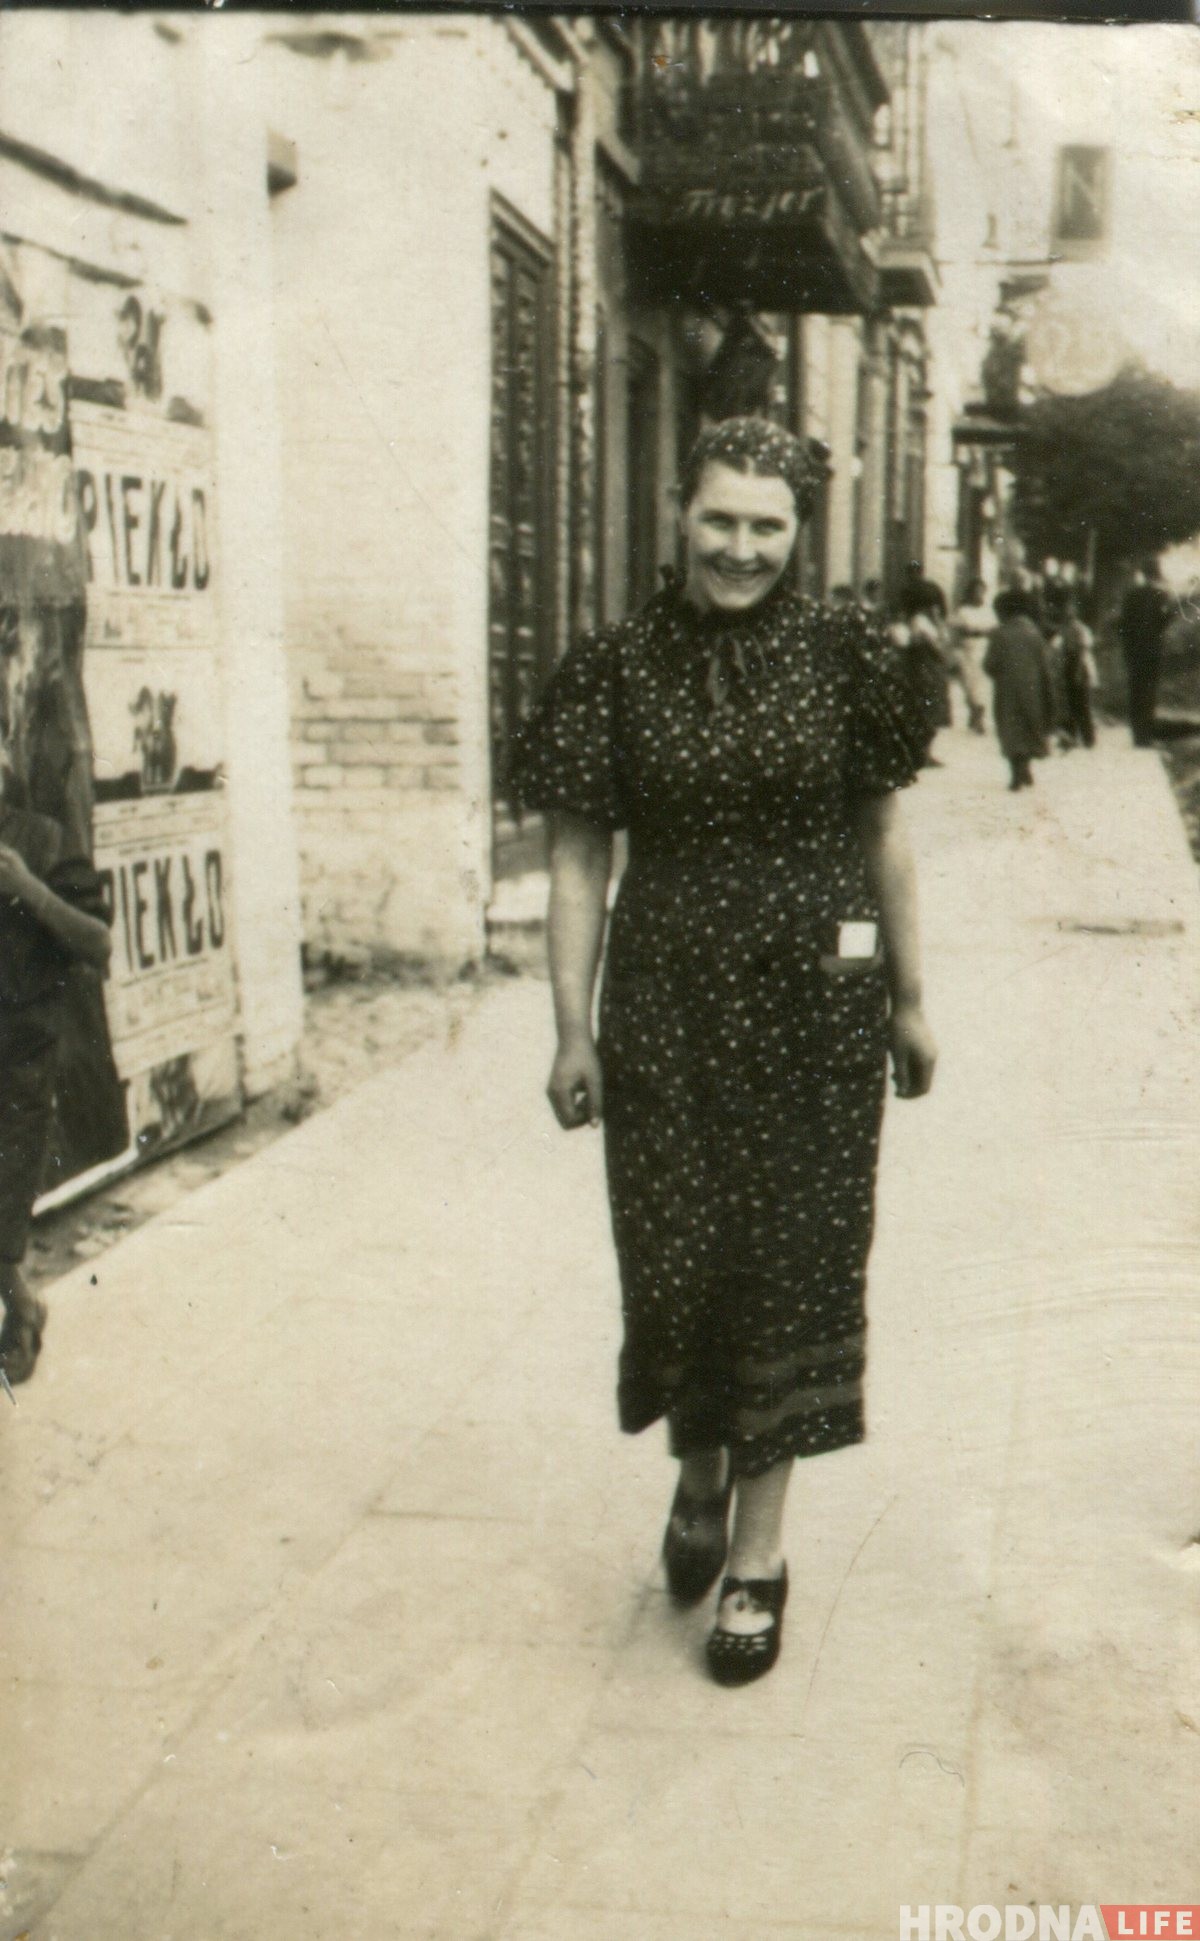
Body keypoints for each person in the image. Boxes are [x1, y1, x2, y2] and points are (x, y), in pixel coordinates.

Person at [511, 417, 937, 1686]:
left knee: (792, 1266)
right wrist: (570, 1028)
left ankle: (757, 1555)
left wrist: (911, 998)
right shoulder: (614, 667)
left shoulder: (846, 657)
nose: (742, 547)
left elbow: (885, 837)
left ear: (799, 533)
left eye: (769, 525)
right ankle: (696, 1470)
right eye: (722, 519)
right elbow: (581, 858)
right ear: (677, 512)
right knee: (681, 1254)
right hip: (667, 1006)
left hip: (820, 999)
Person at [0, 801, 113, 1386]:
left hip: (22, 1060)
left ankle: (19, 1307)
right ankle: (20, 1305)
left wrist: (26, 888)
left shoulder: (43, 836)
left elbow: (98, 942)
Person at [983, 587, 1053, 791]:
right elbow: (1045, 666)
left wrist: (998, 675)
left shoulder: (999, 634)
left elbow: (989, 664)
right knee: (1030, 726)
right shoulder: (1035, 634)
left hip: (1006, 691)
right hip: (1033, 690)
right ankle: (1026, 766)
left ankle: (1016, 771)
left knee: (1011, 729)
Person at [1118, 558, 1173, 747]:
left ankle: (1136, 734)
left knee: (1135, 690)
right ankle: (1145, 736)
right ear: (1156, 574)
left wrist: (1126, 647)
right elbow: (1166, 620)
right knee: (1148, 692)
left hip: (1134, 651)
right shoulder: (1161, 595)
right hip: (1152, 651)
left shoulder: (1131, 596)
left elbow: (1122, 625)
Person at [948, 577, 993, 735]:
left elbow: (993, 629)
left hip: (984, 649)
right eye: (976, 591)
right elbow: (956, 630)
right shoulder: (963, 611)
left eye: (982, 591)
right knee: (970, 685)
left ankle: (979, 716)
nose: (979, 594)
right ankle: (974, 712)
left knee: (983, 686)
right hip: (968, 650)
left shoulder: (988, 611)